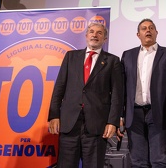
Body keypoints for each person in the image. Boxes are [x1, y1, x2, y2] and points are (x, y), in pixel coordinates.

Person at [48, 22, 123, 168]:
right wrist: (54, 115)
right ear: (86, 35)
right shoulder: (71, 56)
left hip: (96, 126)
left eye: (99, 33)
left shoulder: (113, 61)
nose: (95, 35)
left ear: (105, 39)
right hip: (69, 124)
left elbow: (117, 94)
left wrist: (112, 122)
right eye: (92, 32)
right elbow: (59, 88)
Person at [119, 18, 166, 167]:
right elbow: (122, 88)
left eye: (151, 28)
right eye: (144, 28)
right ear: (138, 34)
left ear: (156, 32)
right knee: (138, 161)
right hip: (134, 114)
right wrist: (121, 114)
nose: (148, 31)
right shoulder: (127, 55)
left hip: (159, 114)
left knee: (160, 160)